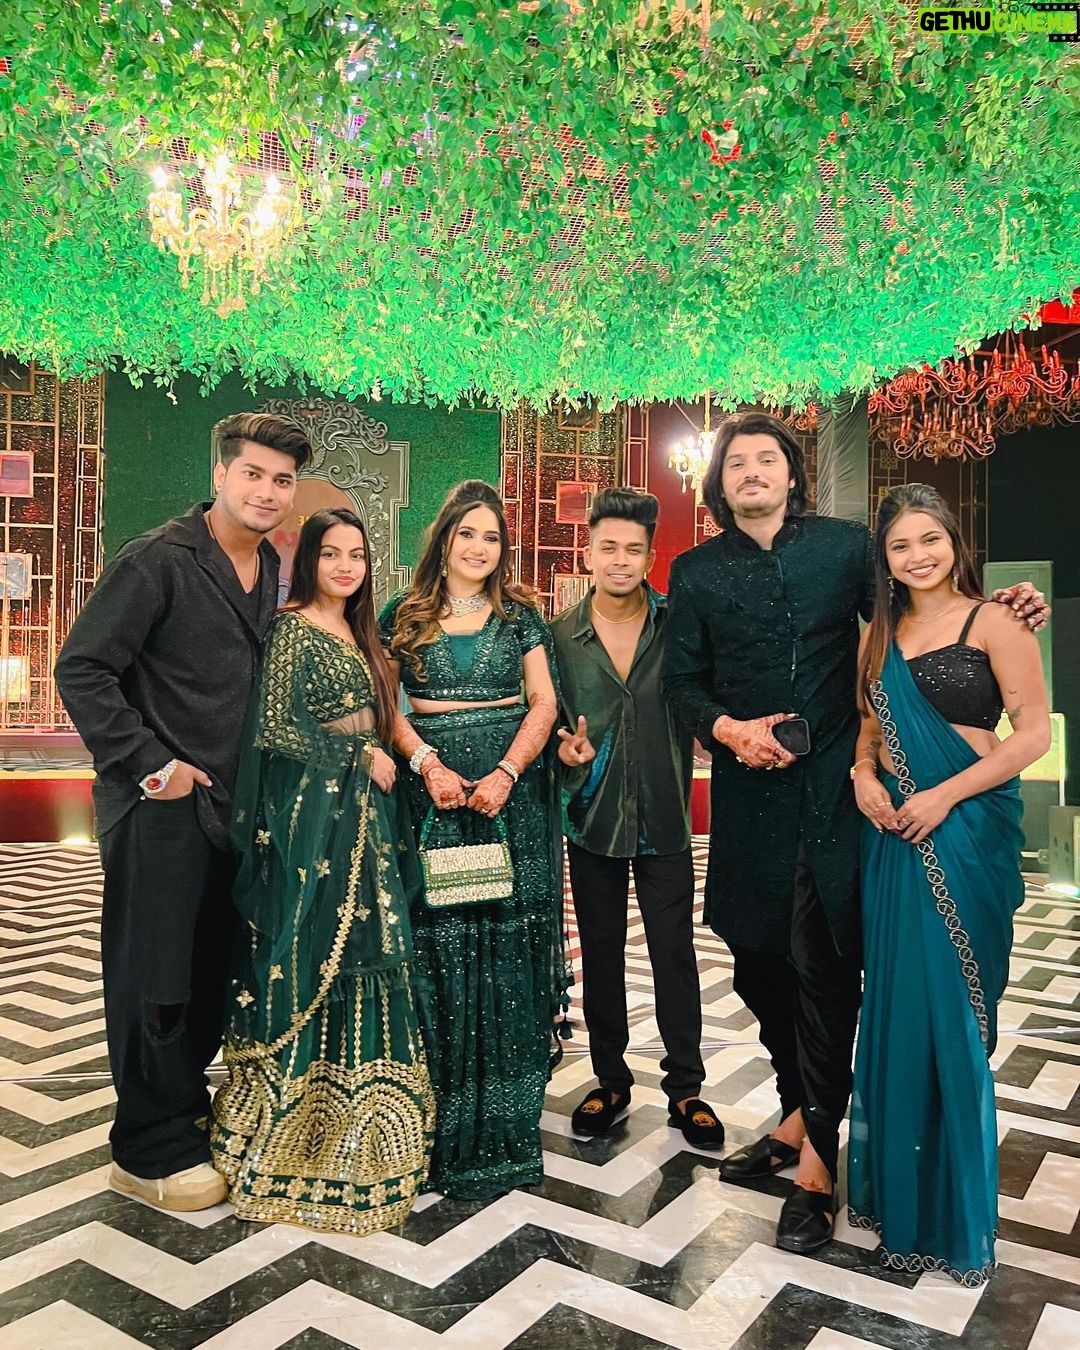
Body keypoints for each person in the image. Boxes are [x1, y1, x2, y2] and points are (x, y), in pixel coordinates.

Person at [663, 411, 1047, 1255]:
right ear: (718, 482)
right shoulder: (694, 573)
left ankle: (817, 1165)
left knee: (826, 967)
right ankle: (799, 1112)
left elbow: (919, 617)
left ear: (792, 474)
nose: (752, 471)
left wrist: (1008, 607)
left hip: (842, 798)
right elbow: (682, 683)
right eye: (736, 462)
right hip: (751, 799)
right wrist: (727, 730)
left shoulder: (845, 550)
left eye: (768, 459)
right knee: (756, 959)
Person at [55, 413, 310, 1211]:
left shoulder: (271, 567)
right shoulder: (158, 559)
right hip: (160, 811)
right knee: (154, 977)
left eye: (282, 480)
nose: (267, 491)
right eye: (253, 474)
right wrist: (151, 764)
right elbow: (82, 668)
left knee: (207, 974)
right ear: (221, 474)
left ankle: (185, 1115)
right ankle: (147, 1149)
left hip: (233, 811)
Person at [212, 508, 435, 1234]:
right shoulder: (293, 628)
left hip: (366, 822)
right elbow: (276, 729)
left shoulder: (362, 631)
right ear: (307, 559)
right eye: (332, 553)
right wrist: (357, 756)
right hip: (315, 825)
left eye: (357, 555)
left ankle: (368, 1121)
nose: (346, 566)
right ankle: (296, 1126)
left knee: (371, 950)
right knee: (312, 951)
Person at [847, 484, 1049, 1284]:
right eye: (900, 546)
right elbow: (869, 731)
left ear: (954, 542)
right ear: (885, 561)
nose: (918, 555)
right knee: (901, 1007)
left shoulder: (995, 621)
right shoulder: (878, 638)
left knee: (952, 1012)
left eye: (929, 539)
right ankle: (905, 1200)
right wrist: (864, 775)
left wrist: (944, 794)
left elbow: (1030, 734)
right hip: (896, 836)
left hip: (964, 831)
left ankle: (953, 1212)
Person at [379, 480, 564, 1200]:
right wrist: (427, 765)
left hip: (506, 802)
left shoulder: (520, 616)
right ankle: (439, 1121)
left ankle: (506, 1126)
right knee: (441, 950)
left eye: (492, 537)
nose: (479, 548)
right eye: (468, 534)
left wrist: (508, 772)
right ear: (444, 538)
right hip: (435, 800)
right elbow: (384, 707)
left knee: (506, 952)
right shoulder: (403, 615)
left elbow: (544, 702)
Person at [550, 487, 723, 1148]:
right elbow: (544, 717)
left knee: (674, 954)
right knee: (601, 954)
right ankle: (610, 1080)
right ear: (588, 554)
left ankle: (687, 1088)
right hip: (592, 817)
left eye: (633, 549)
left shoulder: (679, 624)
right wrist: (564, 751)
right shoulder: (560, 637)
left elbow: (709, 694)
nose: (620, 560)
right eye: (608, 548)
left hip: (666, 818)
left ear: (651, 557)